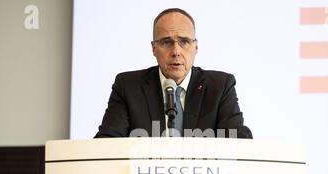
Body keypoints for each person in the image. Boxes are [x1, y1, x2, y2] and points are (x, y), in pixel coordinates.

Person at [95, 8, 253, 139]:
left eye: (184, 41)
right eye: (166, 42)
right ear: (153, 48)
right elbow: (107, 142)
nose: (176, 51)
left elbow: (239, 141)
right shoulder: (128, 86)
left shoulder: (220, 86)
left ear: (195, 47)